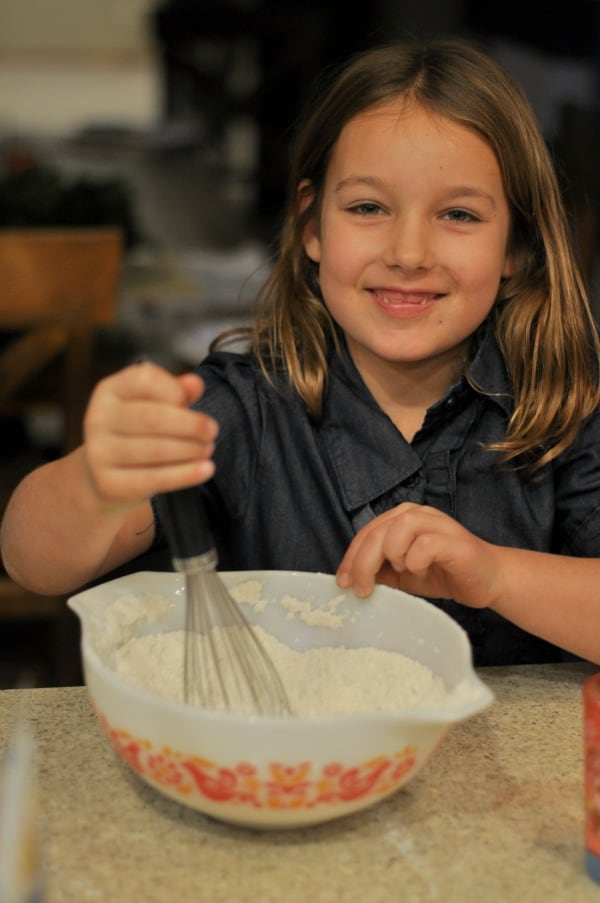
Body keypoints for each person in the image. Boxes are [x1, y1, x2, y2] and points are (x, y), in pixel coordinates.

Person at [2, 37, 600, 667]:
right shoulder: (244, 409)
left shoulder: (565, 407)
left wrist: (498, 576)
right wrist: (99, 480)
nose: (409, 252)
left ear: (516, 247)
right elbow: (32, 561)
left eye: (458, 215)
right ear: (313, 226)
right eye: (368, 207)